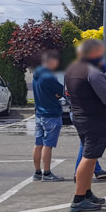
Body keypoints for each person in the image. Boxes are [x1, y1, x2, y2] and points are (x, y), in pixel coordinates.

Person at [65, 38, 106, 212]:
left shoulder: (71, 70)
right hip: (94, 119)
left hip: (80, 116)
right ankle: (79, 198)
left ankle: (87, 192)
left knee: (92, 157)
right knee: (88, 158)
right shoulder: (93, 72)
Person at [31, 50, 66, 182]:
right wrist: (57, 95)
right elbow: (61, 91)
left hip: (39, 113)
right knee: (48, 144)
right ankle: (47, 172)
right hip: (51, 113)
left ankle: (37, 172)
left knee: (38, 143)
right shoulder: (49, 76)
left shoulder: (37, 75)